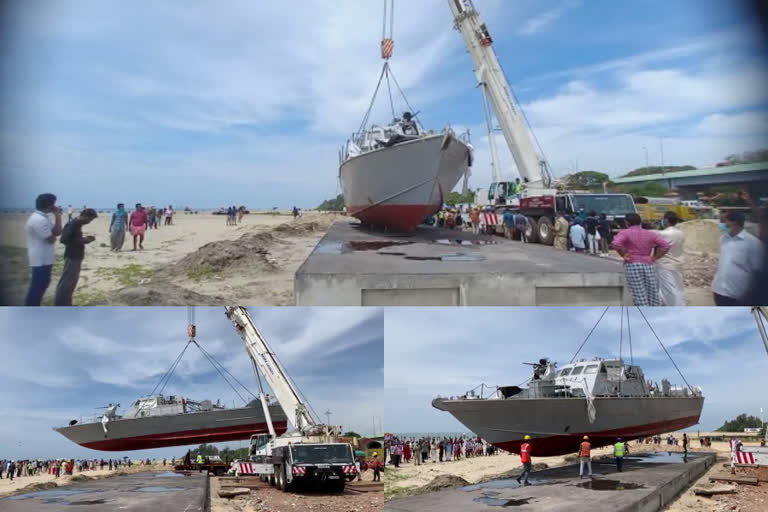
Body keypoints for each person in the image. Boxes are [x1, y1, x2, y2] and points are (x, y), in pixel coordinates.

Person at [611, 213, 671, 306]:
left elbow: (616, 244)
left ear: (626, 222)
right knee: (652, 292)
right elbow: (665, 246)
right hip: (648, 263)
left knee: (639, 293)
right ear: (640, 222)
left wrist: (624, 254)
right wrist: (655, 257)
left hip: (632, 264)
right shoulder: (650, 234)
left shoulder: (625, 233)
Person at [712, 210, 764, 306]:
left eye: (723, 221)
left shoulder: (752, 243)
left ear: (734, 222)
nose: (721, 224)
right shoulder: (723, 239)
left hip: (738, 294)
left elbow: (758, 271)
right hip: (719, 290)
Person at [25, 193, 64, 306]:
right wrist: (56, 215)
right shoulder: (39, 220)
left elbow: (57, 232)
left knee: (43, 284)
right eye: (54, 204)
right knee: (38, 286)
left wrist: (58, 216)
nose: (55, 206)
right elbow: (51, 239)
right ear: (50, 205)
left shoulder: (43, 217)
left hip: (44, 258)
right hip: (40, 259)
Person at [55, 209, 98, 305]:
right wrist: (83, 240)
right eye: (90, 220)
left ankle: (66, 302)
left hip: (75, 256)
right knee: (68, 282)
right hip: (72, 256)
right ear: (85, 216)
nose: (89, 222)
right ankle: (61, 304)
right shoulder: (74, 224)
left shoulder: (76, 224)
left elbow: (72, 238)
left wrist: (83, 239)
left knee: (71, 282)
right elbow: (64, 239)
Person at [656, 211, 687, 306]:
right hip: (678, 264)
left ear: (665, 220)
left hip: (665, 264)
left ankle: (673, 309)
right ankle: (681, 305)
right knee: (679, 287)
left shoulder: (662, 234)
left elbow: (659, 249)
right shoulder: (681, 233)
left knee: (668, 289)